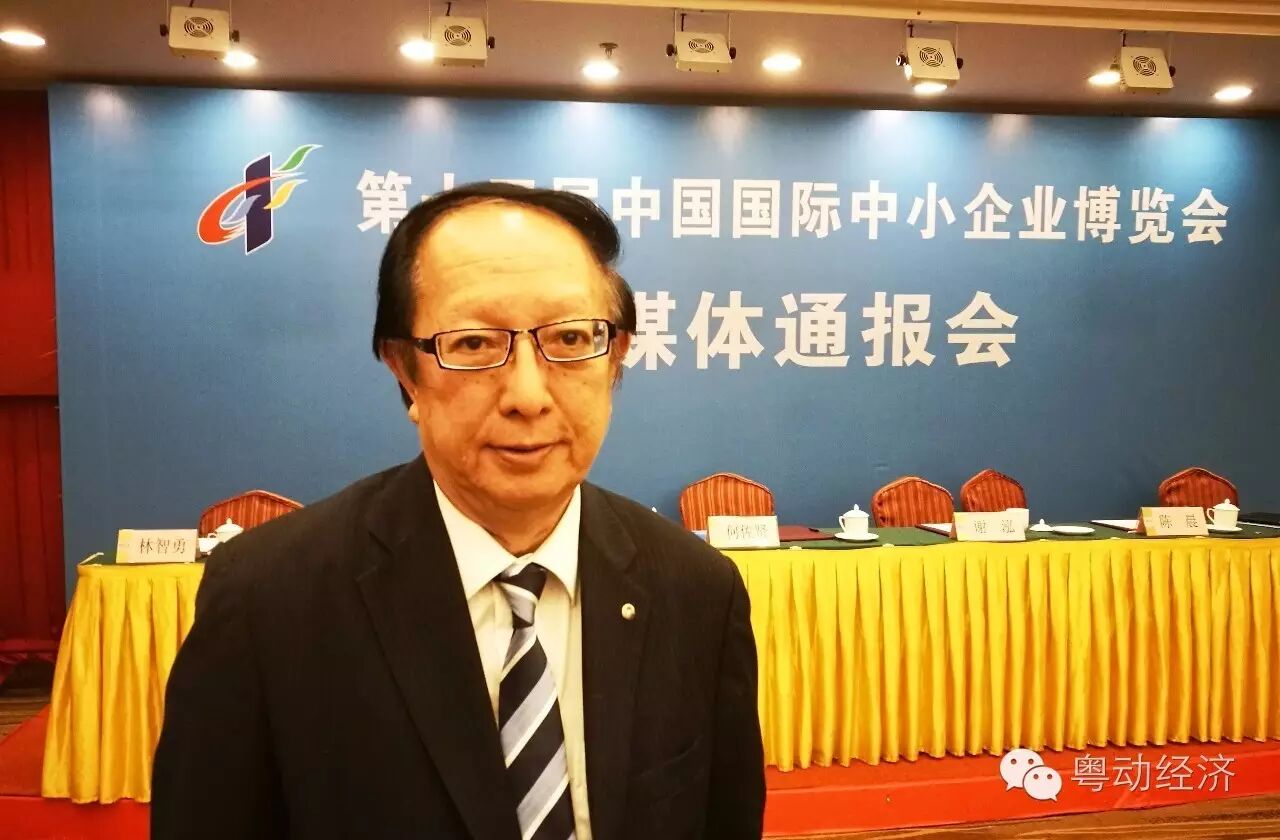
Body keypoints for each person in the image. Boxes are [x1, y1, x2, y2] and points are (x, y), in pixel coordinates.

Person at [152, 183, 765, 839]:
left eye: (570, 337)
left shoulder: (696, 591)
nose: (528, 395)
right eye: (473, 344)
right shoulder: (268, 599)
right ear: (404, 371)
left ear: (615, 357)